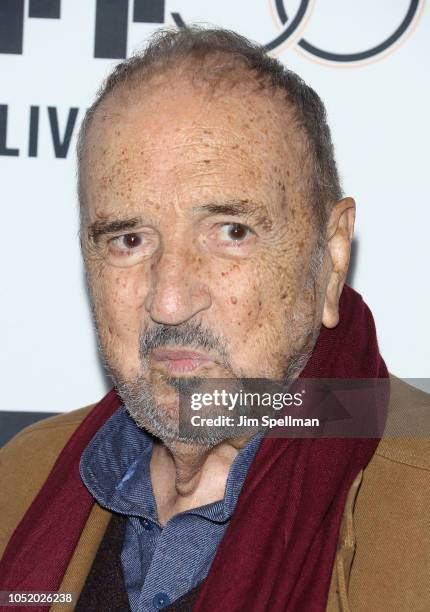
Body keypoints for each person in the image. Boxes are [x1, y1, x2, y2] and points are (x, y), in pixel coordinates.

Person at [1, 26, 429, 612]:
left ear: (330, 257)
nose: (170, 301)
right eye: (128, 239)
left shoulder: (419, 493)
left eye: (232, 232)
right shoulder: (20, 478)